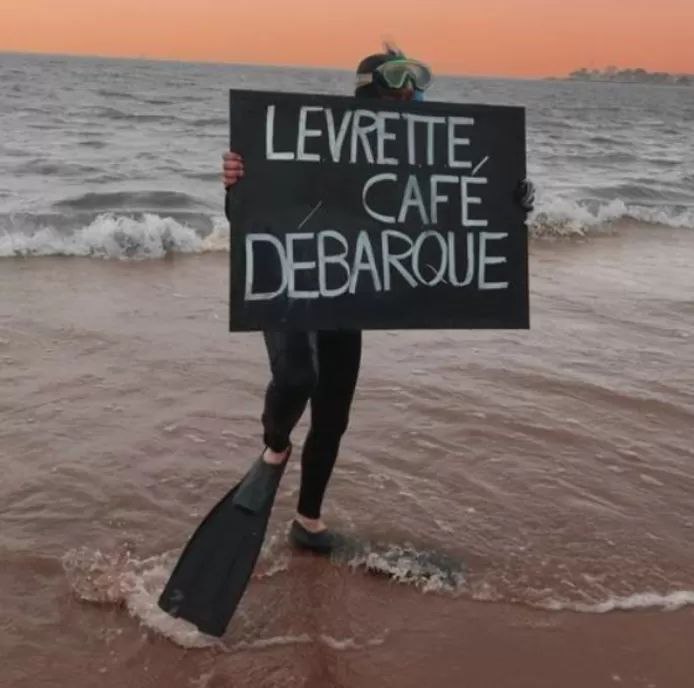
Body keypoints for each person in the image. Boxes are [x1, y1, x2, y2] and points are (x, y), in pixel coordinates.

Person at [221, 45, 535, 555]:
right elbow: (255, 217)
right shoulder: (318, 143)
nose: (408, 96)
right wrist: (237, 184)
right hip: (291, 284)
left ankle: (307, 521)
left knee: (334, 414)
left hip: (350, 290)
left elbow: (455, 205)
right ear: (367, 91)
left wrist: (510, 199)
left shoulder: (417, 160)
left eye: (415, 89)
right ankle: (275, 448)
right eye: (396, 88)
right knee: (297, 376)